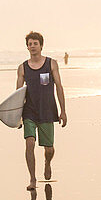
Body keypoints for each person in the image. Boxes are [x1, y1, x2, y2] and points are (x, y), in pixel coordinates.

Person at [17, 31, 67, 191]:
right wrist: (16, 116)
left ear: (41, 45)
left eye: (35, 43)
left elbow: (59, 87)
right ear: (27, 47)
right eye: (29, 44)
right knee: (29, 143)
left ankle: (47, 162)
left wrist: (63, 111)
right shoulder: (22, 68)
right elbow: (17, 94)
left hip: (47, 110)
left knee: (49, 148)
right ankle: (32, 179)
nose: (32, 46)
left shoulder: (51, 64)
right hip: (29, 112)